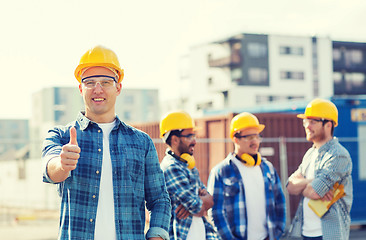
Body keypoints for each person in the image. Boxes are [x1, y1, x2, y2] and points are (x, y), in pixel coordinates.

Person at [42, 45, 171, 240]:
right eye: (90, 82)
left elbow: (160, 199)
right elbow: (49, 168)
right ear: (80, 88)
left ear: (118, 88)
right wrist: (62, 165)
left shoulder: (141, 142)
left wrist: (157, 236)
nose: (98, 89)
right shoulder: (62, 135)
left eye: (106, 82)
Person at [207, 112, 286, 240]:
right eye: (249, 137)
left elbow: (280, 202)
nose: (255, 141)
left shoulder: (268, 169)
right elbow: (216, 213)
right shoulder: (221, 172)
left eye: (257, 136)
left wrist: (277, 233)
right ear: (235, 139)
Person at [287, 98, 353, 240]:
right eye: (305, 121)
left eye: (313, 122)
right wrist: (310, 181)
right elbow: (290, 187)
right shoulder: (310, 154)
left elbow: (315, 192)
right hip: (304, 233)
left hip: (328, 234)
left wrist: (303, 185)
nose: (307, 126)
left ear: (328, 125)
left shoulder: (338, 155)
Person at [159, 111, 219, 240]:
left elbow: (209, 202)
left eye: (194, 136)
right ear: (175, 139)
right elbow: (197, 206)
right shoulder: (171, 168)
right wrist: (200, 201)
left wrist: (197, 203)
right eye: (189, 136)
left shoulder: (188, 165)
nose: (194, 141)